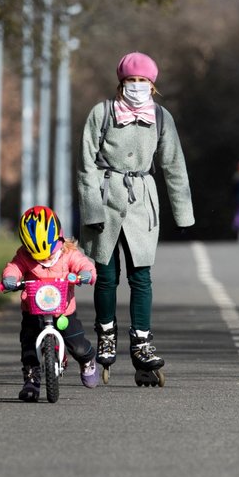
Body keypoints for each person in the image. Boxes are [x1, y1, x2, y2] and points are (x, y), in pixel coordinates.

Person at [77, 51, 194, 387]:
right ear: (121, 82)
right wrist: (92, 208)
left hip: (142, 198)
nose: (137, 86)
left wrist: (182, 212)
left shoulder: (161, 116)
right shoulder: (101, 113)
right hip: (106, 194)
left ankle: (142, 341)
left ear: (152, 85)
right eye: (131, 80)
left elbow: (173, 164)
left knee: (141, 276)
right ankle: (106, 334)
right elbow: (86, 164)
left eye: (143, 81)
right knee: (106, 275)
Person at [0, 205, 99, 402]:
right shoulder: (24, 256)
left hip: (63, 311)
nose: (45, 259)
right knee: (29, 343)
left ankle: (87, 360)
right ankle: (31, 379)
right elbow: (14, 268)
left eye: (48, 253)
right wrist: (9, 278)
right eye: (38, 256)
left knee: (77, 343)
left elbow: (83, 264)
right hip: (33, 310)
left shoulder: (68, 252)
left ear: (58, 238)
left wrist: (86, 274)